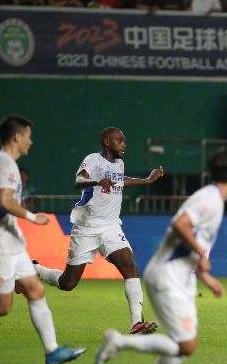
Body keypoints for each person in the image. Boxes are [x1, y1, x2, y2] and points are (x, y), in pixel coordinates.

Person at [95, 147, 227, 364]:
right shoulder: (209, 199)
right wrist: (201, 254)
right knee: (186, 345)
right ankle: (119, 343)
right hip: (167, 277)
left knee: (184, 342)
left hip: (181, 278)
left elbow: (192, 241)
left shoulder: (215, 200)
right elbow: (181, 224)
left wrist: (206, 277)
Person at [33, 127, 164, 335]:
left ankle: (136, 323)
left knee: (130, 266)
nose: (124, 144)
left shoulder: (119, 164)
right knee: (68, 283)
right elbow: (79, 180)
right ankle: (36, 270)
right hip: (86, 227)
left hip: (111, 226)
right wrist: (97, 180)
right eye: (120, 140)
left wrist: (146, 180)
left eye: (124, 141)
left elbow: (120, 181)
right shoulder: (93, 159)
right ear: (106, 142)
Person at [0, 115, 85, 364]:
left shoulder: (5, 163)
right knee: (2, 307)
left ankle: (52, 351)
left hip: (11, 242)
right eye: (28, 136)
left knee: (36, 290)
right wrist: (32, 216)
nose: (31, 141)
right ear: (17, 136)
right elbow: (5, 201)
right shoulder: (4, 163)